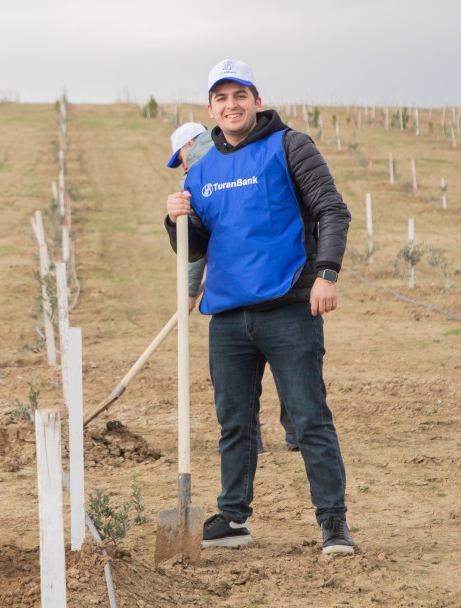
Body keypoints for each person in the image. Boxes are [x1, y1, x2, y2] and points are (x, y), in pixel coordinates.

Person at [164, 58, 354, 555]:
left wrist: (327, 273)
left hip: (289, 308)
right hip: (227, 318)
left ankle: (333, 523)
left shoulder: (290, 146)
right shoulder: (200, 172)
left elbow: (332, 208)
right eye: (222, 97)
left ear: (256, 100)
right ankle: (233, 518)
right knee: (235, 423)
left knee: (310, 417)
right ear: (211, 107)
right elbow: (197, 246)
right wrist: (175, 220)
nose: (232, 105)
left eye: (240, 95)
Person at [166, 121, 299, 453]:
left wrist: (189, 293)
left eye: (178, 156)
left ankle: (250, 440)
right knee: (288, 365)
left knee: (241, 375)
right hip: (280, 280)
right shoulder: (253, 154)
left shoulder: (196, 174)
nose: (180, 164)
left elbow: (195, 244)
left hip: (234, 291)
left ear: (187, 147)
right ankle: (297, 434)